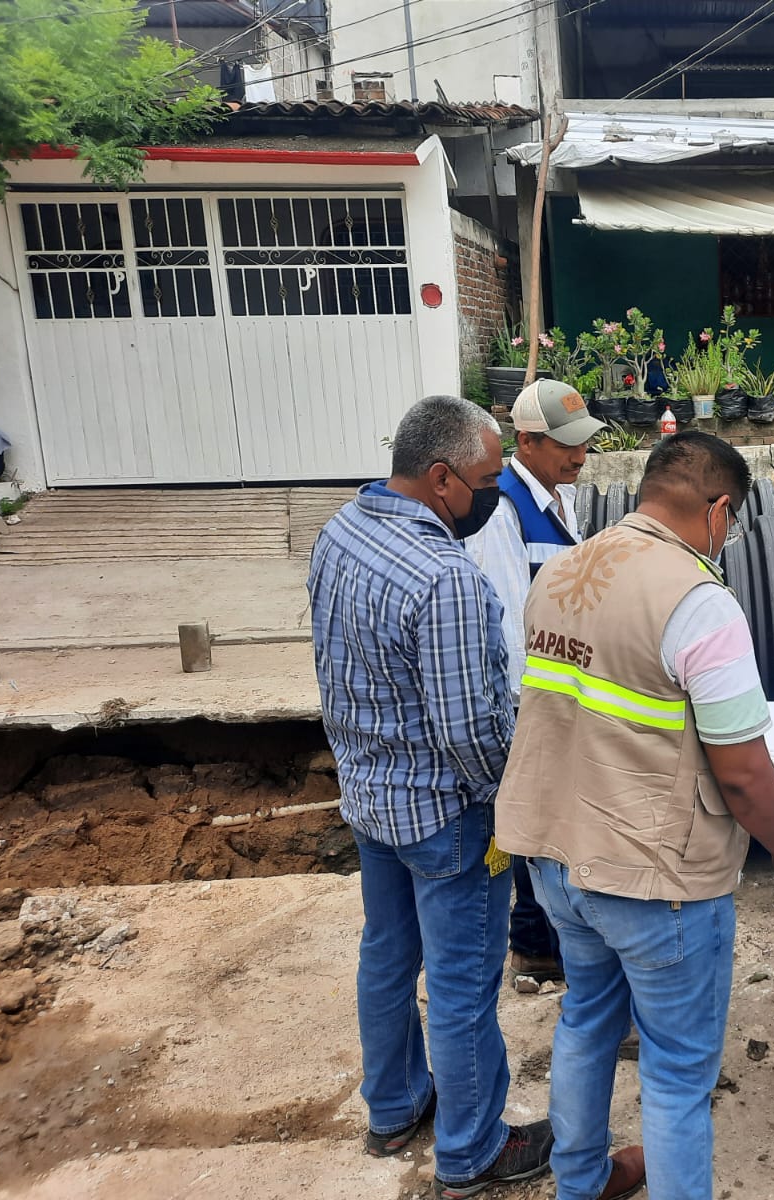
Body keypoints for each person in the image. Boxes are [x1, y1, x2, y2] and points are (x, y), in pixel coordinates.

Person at [496, 430, 774, 1200]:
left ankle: (580, 1182)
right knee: (677, 1074)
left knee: (585, 1022)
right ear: (718, 508)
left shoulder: (562, 568)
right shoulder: (699, 602)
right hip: (655, 880)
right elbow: (742, 771)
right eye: (732, 521)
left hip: (557, 858)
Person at [307, 395, 553, 1199]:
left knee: (386, 955)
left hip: (371, 799)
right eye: (486, 480)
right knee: (460, 984)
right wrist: (506, 806)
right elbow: (468, 733)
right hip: (447, 819)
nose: (492, 495)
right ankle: (474, 1151)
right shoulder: (444, 577)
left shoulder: (339, 531)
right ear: (443, 478)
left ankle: (395, 1107)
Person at [467, 379, 604, 985]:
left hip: (560, 689)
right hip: (531, 697)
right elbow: (506, 618)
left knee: (551, 818)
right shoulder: (503, 510)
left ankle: (542, 940)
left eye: (583, 444)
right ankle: (533, 943)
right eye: (566, 446)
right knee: (532, 820)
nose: (579, 457)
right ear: (526, 441)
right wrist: (536, 706)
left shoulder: (560, 500)